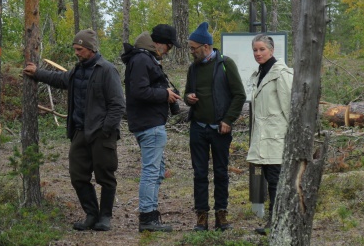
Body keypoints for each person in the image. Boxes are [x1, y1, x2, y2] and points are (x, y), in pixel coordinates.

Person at [23, 29, 125, 231]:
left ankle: (105, 217)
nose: (76, 53)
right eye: (75, 49)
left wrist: (106, 130)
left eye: (79, 49)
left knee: (105, 176)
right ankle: (91, 215)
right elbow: (60, 79)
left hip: (102, 134)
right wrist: (37, 73)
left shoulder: (107, 70)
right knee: (77, 176)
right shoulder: (77, 71)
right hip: (79, 132)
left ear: (90, 49)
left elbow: (118, 105)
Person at [184, 22, 246, 231]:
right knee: (199, 173)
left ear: (207, 46)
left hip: (220, 129)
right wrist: (188, 98)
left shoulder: (226, 64)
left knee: (221, 172)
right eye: (191, 48)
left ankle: (222, 214)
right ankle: (202, 216)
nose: (192, 52)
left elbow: (239, 95)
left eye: (194, 48)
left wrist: (228, 120)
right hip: (198, 128)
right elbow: (187, 93)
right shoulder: (193, 68)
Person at [121, 24, 181, 232]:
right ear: (159, 44)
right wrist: (165, 94)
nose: (169, 51)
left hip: (150, 123)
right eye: (169, 46)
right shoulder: (141, 59)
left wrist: (164, 91)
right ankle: (147, 217)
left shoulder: (143, 59)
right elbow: (139, 92)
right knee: (151, 171)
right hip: (149, 124)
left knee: (157, 170)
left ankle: (151, 214)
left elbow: (144, 88)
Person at [246, 34, 293, 235]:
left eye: (262, 49)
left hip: (277, 137)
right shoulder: (259, 74)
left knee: (276, 181)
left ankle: (277, 223)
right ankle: (275, 221)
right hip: (264, 137)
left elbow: (290, 107)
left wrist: (293, 138)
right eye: (255, 50)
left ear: (272, 50)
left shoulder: (281, 74)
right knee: (270, 178)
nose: (258, 53)